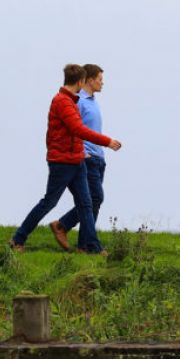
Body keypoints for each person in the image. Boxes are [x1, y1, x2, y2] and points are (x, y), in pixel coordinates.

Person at [10, 64, 121, 254]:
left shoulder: (71, 100)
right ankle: (18, 238)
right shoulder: (62, 101)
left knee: (86, 204)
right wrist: (107, 141)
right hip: (62, 163)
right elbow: (78, 129)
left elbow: (73, 134)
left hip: (76, 161)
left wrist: (81, 152)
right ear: (80, 81)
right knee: (49, 202)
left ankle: (93, 247)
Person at [49, 64, 108, 251]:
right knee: (94, 198)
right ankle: (64, 226)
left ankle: (84, 243)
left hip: (98, 157)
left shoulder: (92, 100)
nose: (102, 83)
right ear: (89, 80)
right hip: (87, 157)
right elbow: (75, 129)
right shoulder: (78, 101)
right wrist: (83, 152)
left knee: (92, 201)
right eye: (99, 79)